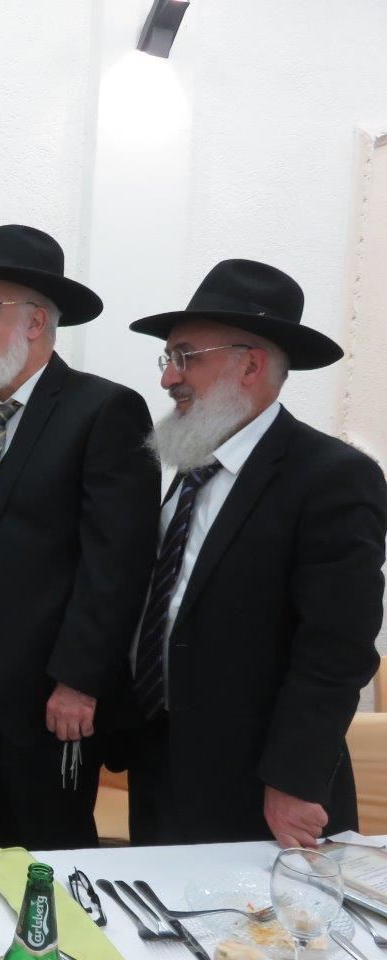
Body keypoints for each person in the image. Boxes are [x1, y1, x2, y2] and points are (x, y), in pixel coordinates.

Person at [125, 258, 387, 847]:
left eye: (186, 357)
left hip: (261, 785)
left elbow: (337, 649)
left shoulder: (333, 477)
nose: (169, 380)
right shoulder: (193, 464)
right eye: (168, 359)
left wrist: (293, 781)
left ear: (250, 365)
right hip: (162, 763)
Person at [0, 224, 160, 850]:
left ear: (37, 321)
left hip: (45, 700)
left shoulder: (104, 411)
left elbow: (116, 566)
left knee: (45, 860)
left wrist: (79, 680)